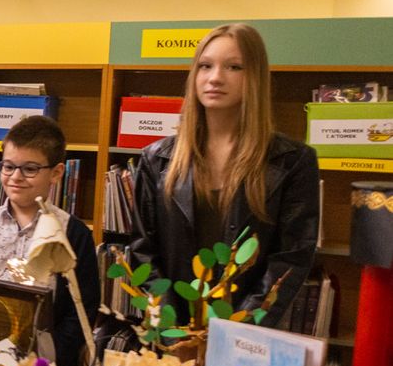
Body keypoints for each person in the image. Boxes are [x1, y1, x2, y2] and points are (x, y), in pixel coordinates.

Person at [131, 22, 319, 328]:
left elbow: (290, 259)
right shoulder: (156, 159)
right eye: (205, 66)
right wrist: (170, 328)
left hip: (247, 335)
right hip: (173, 332)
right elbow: (143, 251)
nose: (215, 78)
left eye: (233, 67)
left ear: (255, 77)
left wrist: (236, 331)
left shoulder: (293, 162)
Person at [0, 116, 99, 366]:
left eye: (30, 169)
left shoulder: (73, 234)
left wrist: (43, 364)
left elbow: (80, 315)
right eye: (8, 167)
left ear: (56, 172)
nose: (15, 177)